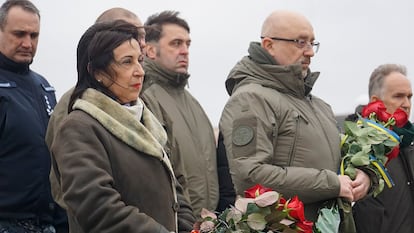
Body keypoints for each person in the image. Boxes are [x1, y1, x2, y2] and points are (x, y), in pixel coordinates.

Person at [219, 10, 371, 221]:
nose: (310, 52)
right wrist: (332, 184)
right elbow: (250, 177)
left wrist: (363, 176)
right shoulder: (250, 99)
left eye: (312, 43)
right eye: (300, 42)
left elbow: (339, 161)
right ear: (269, 45)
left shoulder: (319, 106)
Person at [49, 20, 195, 233]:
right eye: (127, 62)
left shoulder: (147, 121)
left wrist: (189, 228)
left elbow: (175, 194)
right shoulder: (79, 128)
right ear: (96, 71)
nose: (140, 72)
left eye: (140, 61)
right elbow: (98, 209)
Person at [45, 7, 146, 209]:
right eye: (124, 32)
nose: (141, 42)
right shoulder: (75, 112)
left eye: (142, 36)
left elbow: (173, 181)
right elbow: (78, 194)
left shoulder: (142, 107)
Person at [141, 10, 219, 217]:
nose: (185, 51)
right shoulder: (144, 97)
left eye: (187, 44)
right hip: (174, 221)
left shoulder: (193, 103)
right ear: (150, 50)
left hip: (206, 223)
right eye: (176, 43)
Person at [0, 0, 68, 232]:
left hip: (48, 222)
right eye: (19, 34)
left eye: (34, 35)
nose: (27, 43)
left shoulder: (44, 87)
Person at [352, 64, 414, 233]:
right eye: (398, 96)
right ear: (375, 102)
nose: (406, 104)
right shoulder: (353, 148)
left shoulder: (410, 142)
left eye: (409, 97)